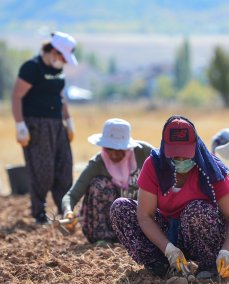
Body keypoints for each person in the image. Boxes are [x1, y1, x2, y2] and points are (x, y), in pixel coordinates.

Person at [110, 116, 229, 279]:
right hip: (167, 234)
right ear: (165, 149)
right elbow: (145, 216)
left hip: (204, 235)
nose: (181, 160)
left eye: (186, 155)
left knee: (196, 210)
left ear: (195, 148)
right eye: (175, 156)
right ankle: (163, 267)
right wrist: (169, 249)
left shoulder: (211, 169)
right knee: (120, 208)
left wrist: (226, 251)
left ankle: (209, 265)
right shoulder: (154, 165)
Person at [11, 31, 78, 224]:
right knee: (42, 171)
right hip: (36, 125)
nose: (64, 62)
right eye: (63, 57)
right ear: (54, 51)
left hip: (57, 125)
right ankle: (39, 213)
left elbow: (61, 97)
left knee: (64, 169)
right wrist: (20, 124)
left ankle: (64, 211)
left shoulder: (58, 71)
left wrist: (68, 119)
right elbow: (17, 96)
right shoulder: (31, 68)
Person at [60, 119, 154, 243]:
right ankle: (103, 238)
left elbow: (166, 169)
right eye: (109, 149)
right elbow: (72, 195)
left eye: (119, 149)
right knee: (99, 184)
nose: (114, 154)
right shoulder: (98, 163)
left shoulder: (144, 153)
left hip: (137, 218)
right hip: (107, 223)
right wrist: (68, 212)